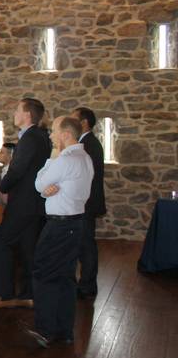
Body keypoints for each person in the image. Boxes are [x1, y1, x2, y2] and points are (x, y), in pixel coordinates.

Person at [25, 116, 94, 348]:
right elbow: (48, 190)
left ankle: (45, 330)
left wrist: (51, 160)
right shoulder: (84, 157)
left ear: (66, 134)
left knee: (43, 274)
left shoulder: (65, 159)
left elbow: (38, 185)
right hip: (75, 223)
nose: (51, 135)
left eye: (54, 131)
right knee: (65, 277)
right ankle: (64, 331)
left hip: (60, 225)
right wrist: (47, 191)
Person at [0, 98, 51, 308]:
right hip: (33, 203)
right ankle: (29, 294)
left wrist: (3, 186)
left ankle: (4, 295)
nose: (14, 113)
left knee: (1, 244)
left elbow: (18, 168)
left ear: (27, 115)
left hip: (23, 203)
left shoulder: (31, 137)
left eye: (17, 110)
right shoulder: (40, 136)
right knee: (27, 248)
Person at [70, 106, 106, 299]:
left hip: (87, 202)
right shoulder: (86, 142)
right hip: (86, 202)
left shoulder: (88, 145)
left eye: (74, 118)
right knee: (84, 244)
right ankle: (85, 283)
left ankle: (87, 285)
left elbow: (86, 178)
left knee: (86, 245)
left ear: (84, 122)